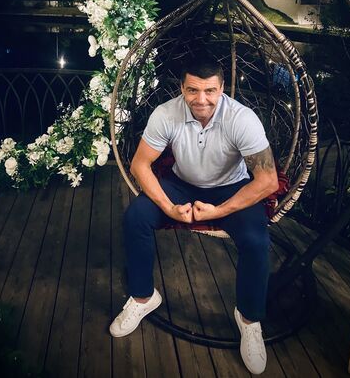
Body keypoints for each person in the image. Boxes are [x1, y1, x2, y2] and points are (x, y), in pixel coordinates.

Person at [109, 56, 279, 375]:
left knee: (256, 241)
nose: (201, 99)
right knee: (136, 217)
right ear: (182, 88)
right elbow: (139, 165)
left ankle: (248, 319)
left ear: (222, 88)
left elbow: (268, 181)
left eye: (210, 91)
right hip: (181, 184)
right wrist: (169, 208)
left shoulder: (242, 119)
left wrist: (219, 211)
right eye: (193, 90)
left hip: (230, 188)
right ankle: (143, 297)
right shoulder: (166, 113)